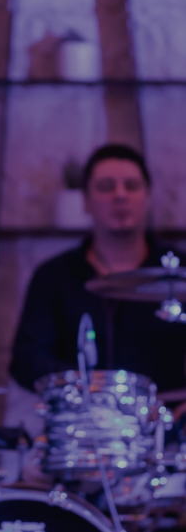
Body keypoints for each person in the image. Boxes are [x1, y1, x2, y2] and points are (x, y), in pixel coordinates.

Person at [10, 144, 186, 395]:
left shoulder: (180, 272)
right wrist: (90, 384)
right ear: (85, 201)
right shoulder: (53, 276)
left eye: (131, 186)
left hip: (166, 415)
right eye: (106, 186)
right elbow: (26, 360)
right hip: (82, 413)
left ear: (148, 198)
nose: (120, 195)